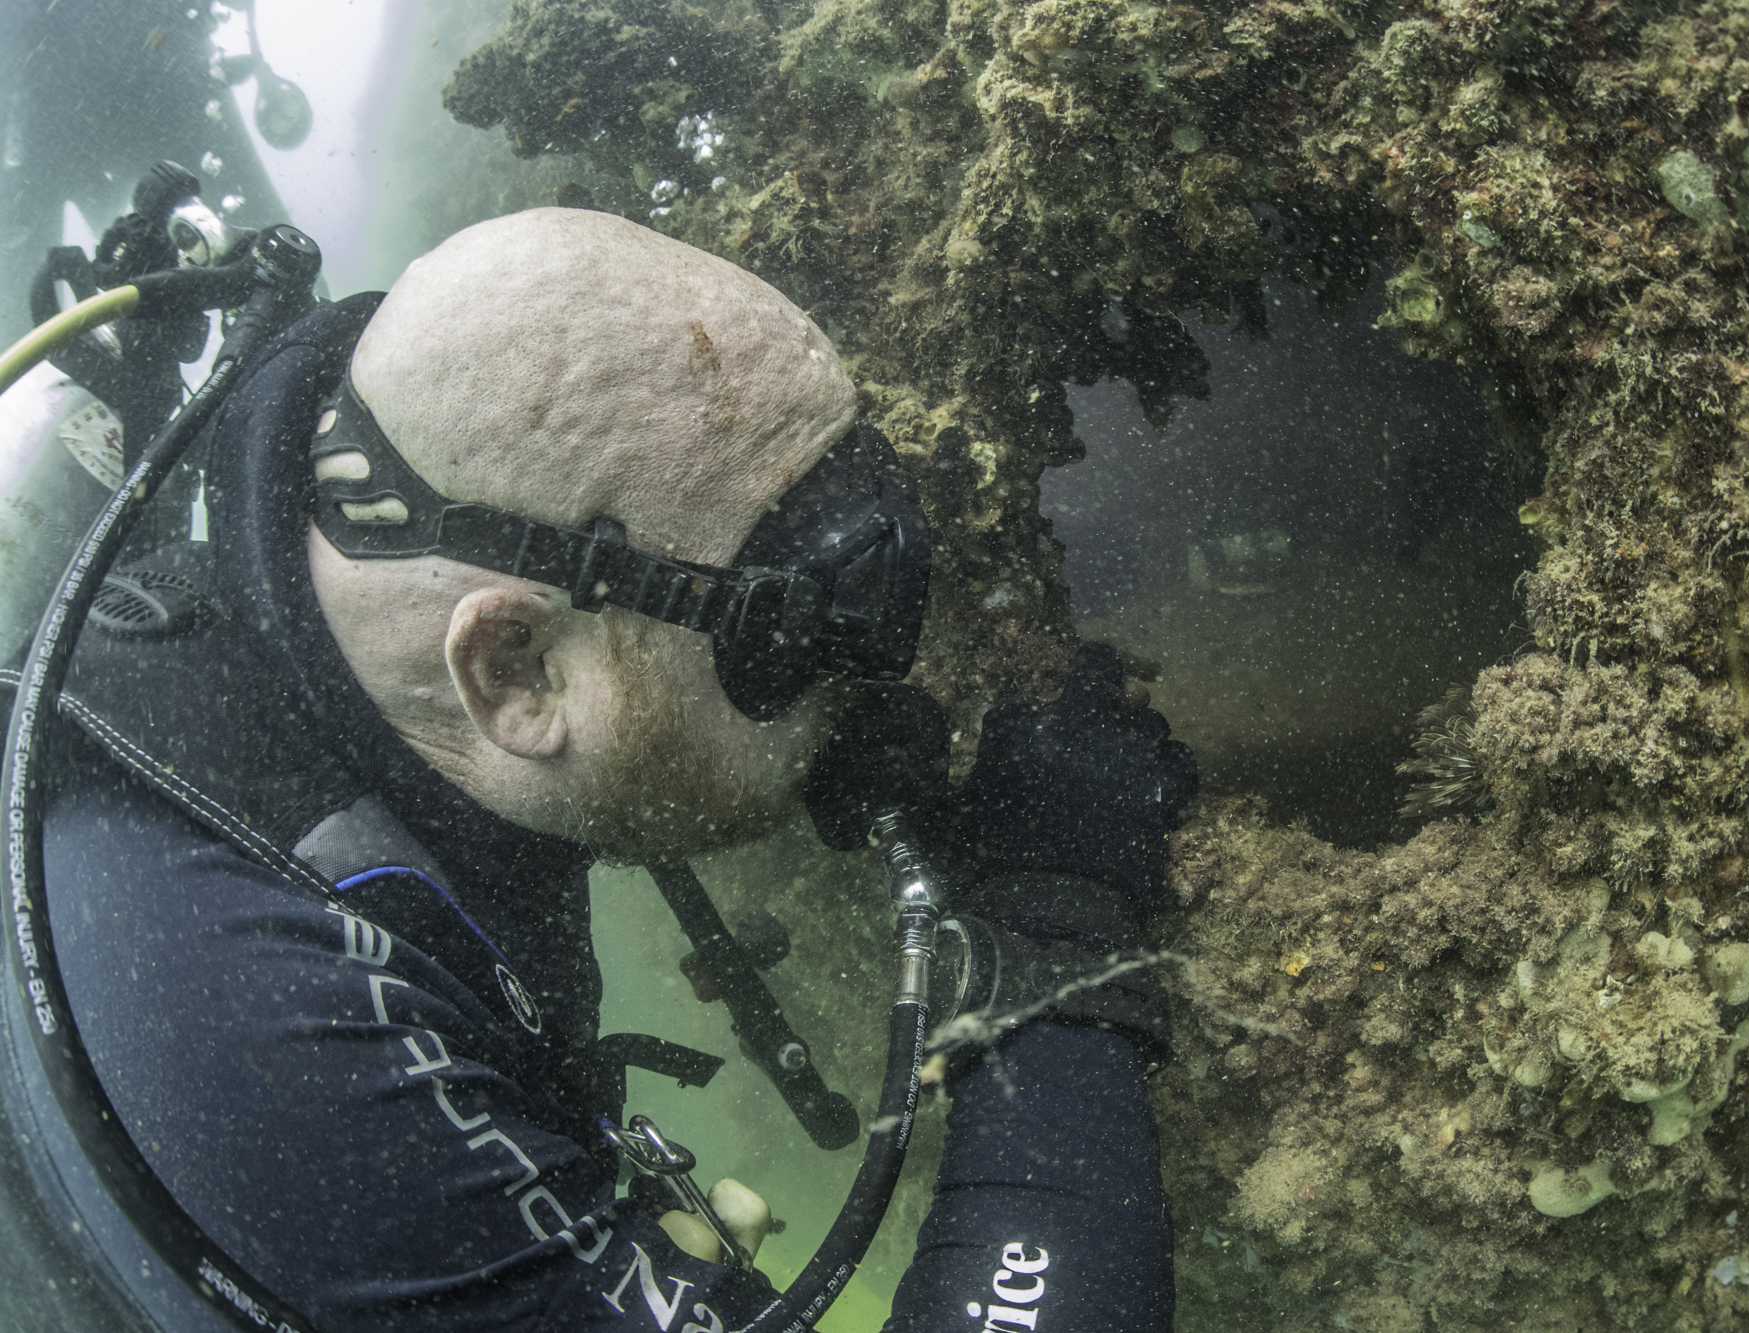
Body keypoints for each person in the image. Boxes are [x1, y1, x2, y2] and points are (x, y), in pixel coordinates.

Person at [14, 206, 1196, 1331]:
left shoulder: (327, 631)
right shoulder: (282, 1054)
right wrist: (1054, 937)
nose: (877, 667)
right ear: (517, 672)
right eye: (787, 631)